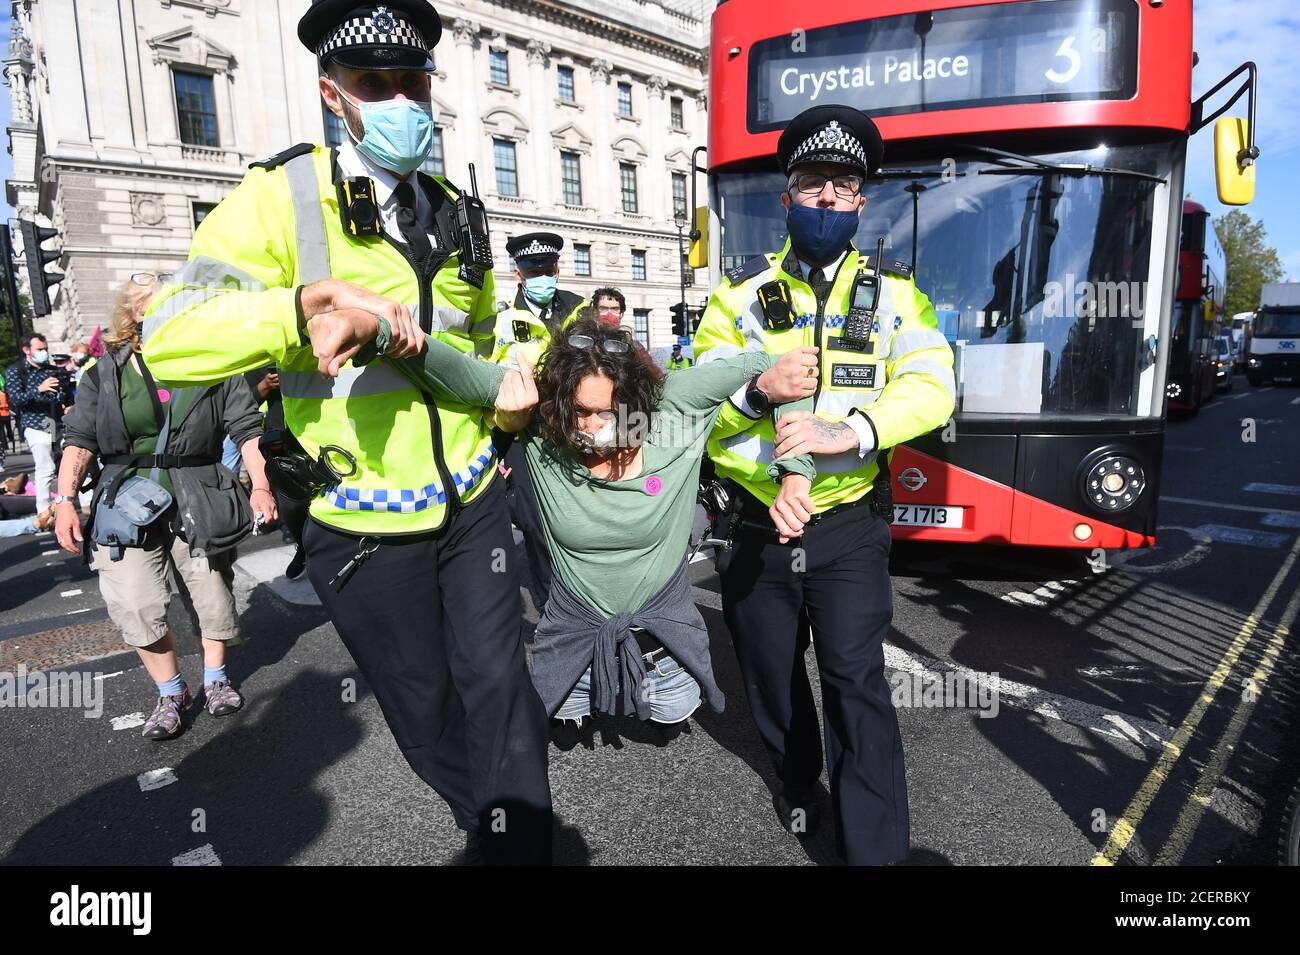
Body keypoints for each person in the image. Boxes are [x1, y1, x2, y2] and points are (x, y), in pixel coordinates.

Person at [141, 0, 551, 865]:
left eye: (413, 80)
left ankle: (522, 847)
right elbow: (170, 335)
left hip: (473, 496)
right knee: (424, 707)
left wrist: (508, 409)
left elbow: (480, 346)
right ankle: (486, 820)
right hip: (360, 519)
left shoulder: (457, 207)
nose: (402, 98)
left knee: (502, 685)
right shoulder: (277, 197)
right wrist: (298, 308)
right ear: (335, 94)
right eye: (376, 82)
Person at [692, 105, 956, 865]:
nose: (829, 200)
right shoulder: (734, 303)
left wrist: (855, 431)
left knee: (855, 680)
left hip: (845, 529)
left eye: (845, 187)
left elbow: (933, 385)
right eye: (813, 185)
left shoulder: (898, 296)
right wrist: (758, 405)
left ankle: (875, 852)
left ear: (861, 203)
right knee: (771, 681)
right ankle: (800, 784)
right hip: (755, 530)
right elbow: (697, 413)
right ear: (788, 200)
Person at [345, 314, 818, 731]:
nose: (590, 427)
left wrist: (796, 475)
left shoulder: (672, 409)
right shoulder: (540, 420)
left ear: (638, 402)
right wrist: (382, 331)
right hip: (571, 637)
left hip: (665, 640)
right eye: (579, 412)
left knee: (671, 718)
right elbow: (455, 374)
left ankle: (653, 672)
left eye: (606, 412)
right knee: (561, 729)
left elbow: (787, 367)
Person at [54, 276, 275, 739]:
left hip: (199, 491)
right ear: (133, 316)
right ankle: (171, 692)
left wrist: (261, 487)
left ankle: (215, 680)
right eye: (153, 308)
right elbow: (79, 438)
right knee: (134, 603)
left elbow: (246, 428)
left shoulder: (214, 364)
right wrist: (65, 500)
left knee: (213, 595)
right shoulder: (103, 373)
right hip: (125, 503)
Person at [488, 232, 586, 609]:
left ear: (557, 269)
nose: (542, 276)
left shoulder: (581, 310)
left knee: (578, 523)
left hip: (575, 436)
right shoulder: (500, 319)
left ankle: (585, 603)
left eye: (548, 268)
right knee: (535, 526)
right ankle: (550, 607)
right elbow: (490, 377)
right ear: (518, 274)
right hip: (524, 439)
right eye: (533, 270)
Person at [4, 334, 64, 512]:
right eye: (39, 349)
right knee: (45, 467)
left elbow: (58, 396)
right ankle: (44, 509)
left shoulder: (51, 370)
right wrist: (39, 389)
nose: (44, 352)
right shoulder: (16, 371)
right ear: (27, 350)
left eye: (45, 349)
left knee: (68, 460)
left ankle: (80, 503)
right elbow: (15, 399)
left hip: (54, 421)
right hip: (33, 423)